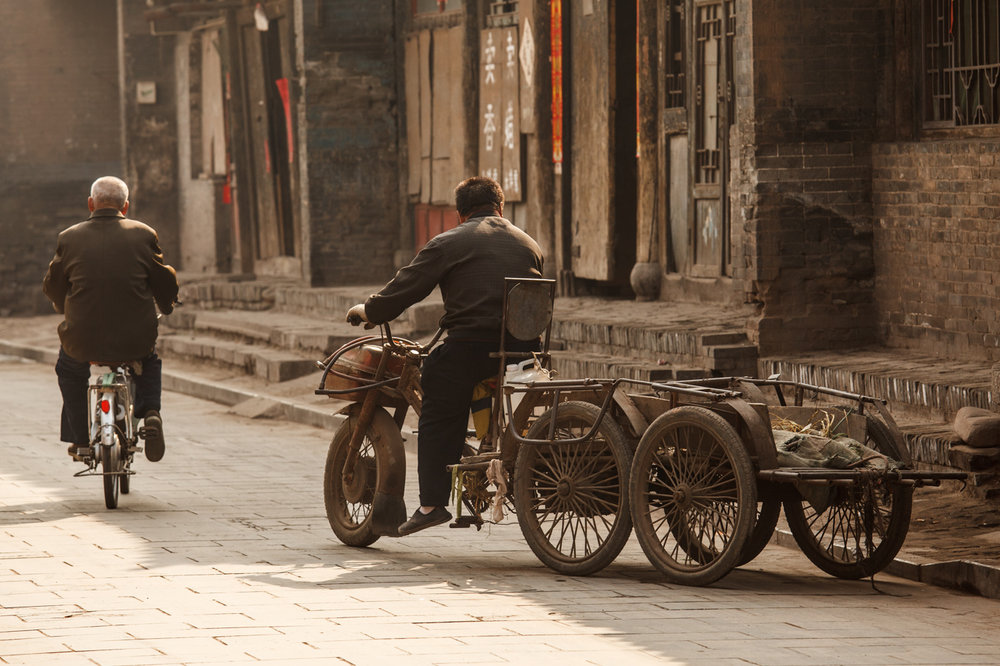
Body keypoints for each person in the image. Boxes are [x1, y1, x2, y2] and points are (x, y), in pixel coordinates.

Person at [347, 176, 543, 536]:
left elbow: (407, 286)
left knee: (438, 395)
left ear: (460, 214)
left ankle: (432, 504)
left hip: (471, 348)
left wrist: (370, 311)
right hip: (523, 352)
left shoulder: (450, 242)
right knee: (456, 374)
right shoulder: (528, 244)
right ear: (500, 208)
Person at [42, 176, 179, 463]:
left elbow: (54, 285)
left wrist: (60, 305)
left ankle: (80, 440)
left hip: (82, 338)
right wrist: (166, 306)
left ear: (90, 203)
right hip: (135, 337)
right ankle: (151, 412)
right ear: (125, 207)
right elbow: (163, 280)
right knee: (148, 361)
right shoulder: (144, 234)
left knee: (70, 370)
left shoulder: (69, 237)